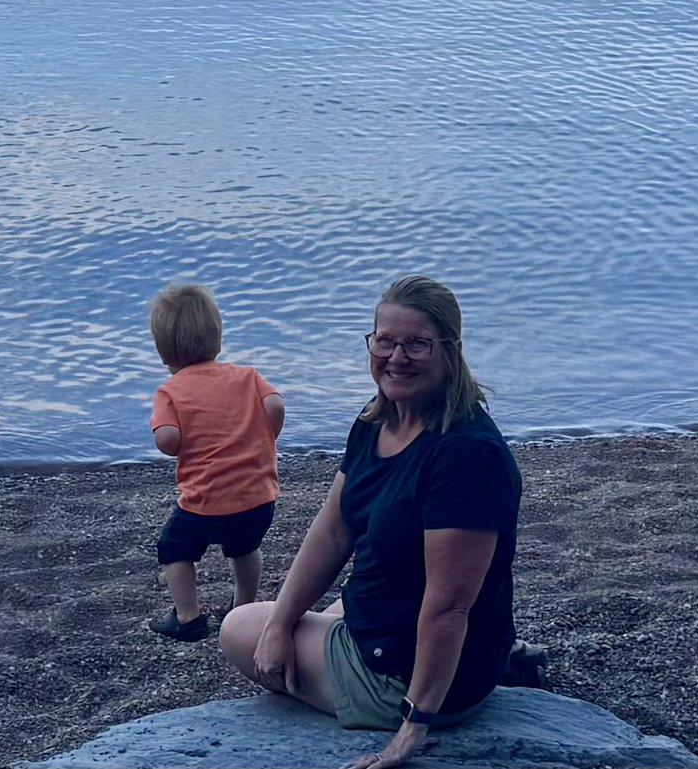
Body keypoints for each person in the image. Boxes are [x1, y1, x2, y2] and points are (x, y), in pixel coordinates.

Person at [221, 275, 521, 769]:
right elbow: (335, 528)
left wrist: (411, 731)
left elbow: (448, 608)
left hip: (402, 672)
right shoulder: (377, 418)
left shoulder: (465, 457)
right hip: (398, 622)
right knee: (290, 616)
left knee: (237, 626)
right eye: (385, 340)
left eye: (417, 343)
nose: (396, 357)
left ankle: (425, 692)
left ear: (450, 349)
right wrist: (281, 624)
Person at [144, 280, 286, 640]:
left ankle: (189, 616)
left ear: (163, 350)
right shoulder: (247, 377)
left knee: (173, 549)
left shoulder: (170, 391)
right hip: (257, 497)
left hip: (205, 502)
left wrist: (172, 439)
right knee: (245, 548)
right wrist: (267, 437)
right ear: (216, 336)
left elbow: (168, 440)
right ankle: (243, 607)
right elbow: (276, 405)